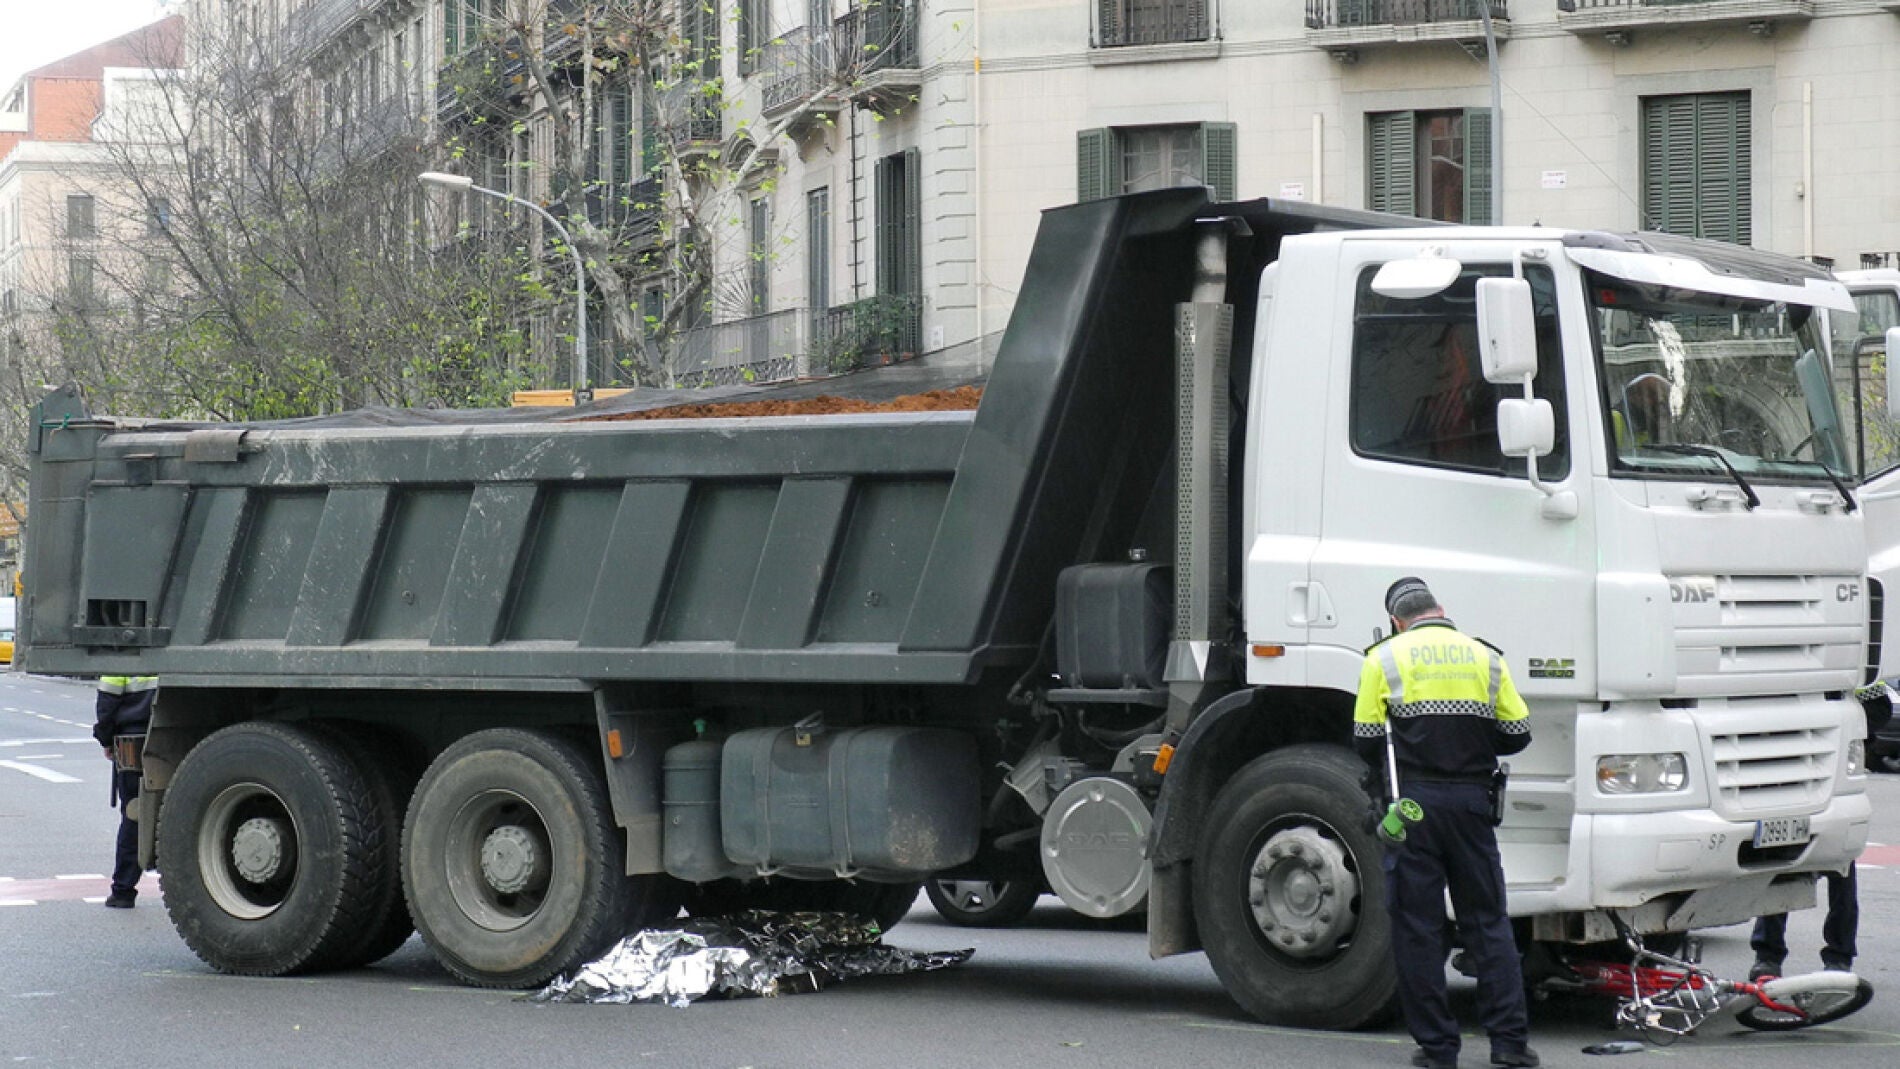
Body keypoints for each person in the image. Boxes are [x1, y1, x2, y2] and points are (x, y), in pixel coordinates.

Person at [1354, 577, 1538, 1069]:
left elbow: (1367, 737)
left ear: (1397, 620)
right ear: (1440, 609)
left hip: (1412, 805)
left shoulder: (1383, 658)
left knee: (1417, 927)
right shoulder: (1486, 657)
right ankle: (1510, 1046)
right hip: (1473, 803)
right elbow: (1518, 734)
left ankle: (1438, 1050)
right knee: (1488, 922)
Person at [1746, 681, 1890, 979]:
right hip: (1783, 775)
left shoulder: (1850, 675)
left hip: (1830, 777)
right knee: (1778, 863)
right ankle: (1768, 955)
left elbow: (1880, 709)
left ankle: (1838, 955)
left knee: (1841, 869)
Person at [92, 674, 158, 909]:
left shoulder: (124, 654)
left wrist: (106, 740)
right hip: (170, 735)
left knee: (135, 814)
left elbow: (107, 704)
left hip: (132, 740)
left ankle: (123, 890)